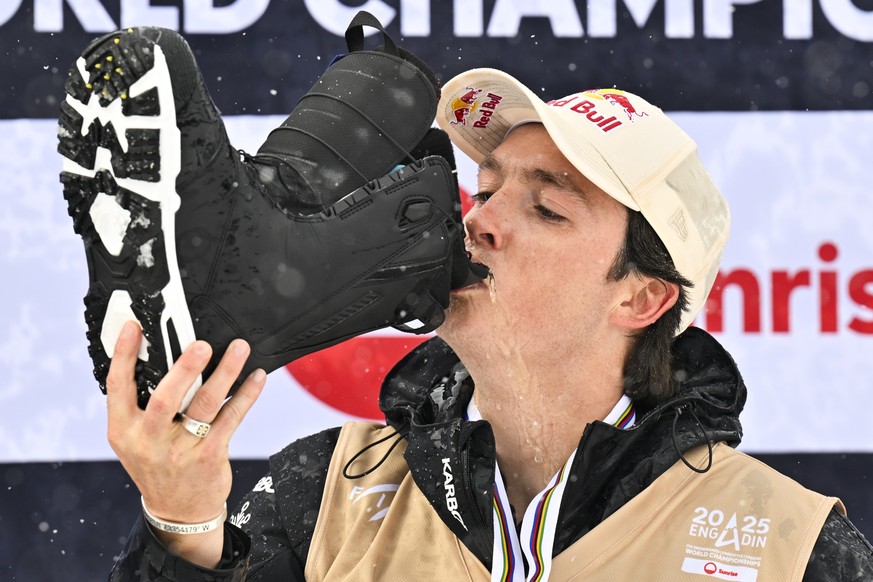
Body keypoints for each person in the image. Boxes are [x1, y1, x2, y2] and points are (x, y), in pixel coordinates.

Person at [60, 17, 872, 582]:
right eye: (484, 189)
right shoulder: (327, 486)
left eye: (546, 208)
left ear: (641, 298)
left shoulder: (786, 544)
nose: (477, 220)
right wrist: (182, 522)